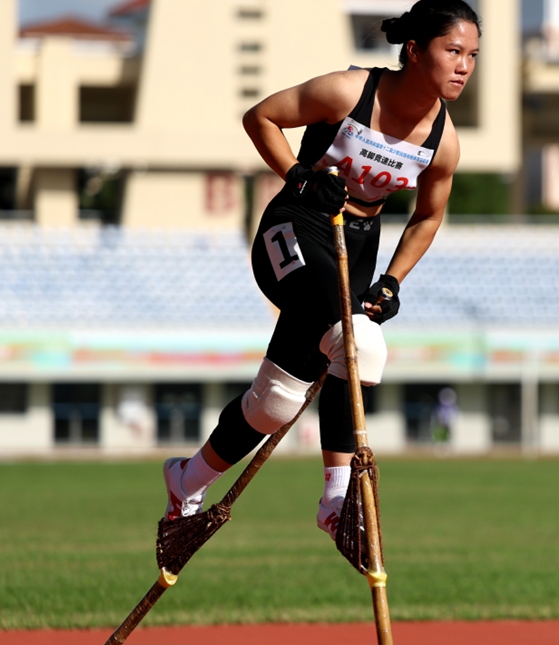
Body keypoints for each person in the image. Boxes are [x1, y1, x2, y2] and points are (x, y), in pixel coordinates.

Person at [160, 0, 480, 540]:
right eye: (453, 51)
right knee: (359, 344)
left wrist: (393, 280)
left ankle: (186, 479)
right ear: (415, 50)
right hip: (296, 223)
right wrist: (300, 175)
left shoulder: (443, 142)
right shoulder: (348, 91)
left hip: (356, 250)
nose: (464, 66)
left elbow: (427, 218)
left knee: (276, 402)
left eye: (472, 55)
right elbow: (259, 116)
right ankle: (336, 499)